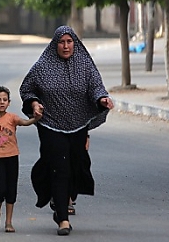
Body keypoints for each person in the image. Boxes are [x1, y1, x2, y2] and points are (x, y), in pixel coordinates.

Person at [19, 25, 114, 236]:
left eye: (69, 41)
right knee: (59, 168)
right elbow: (27, 88)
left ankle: (62, 198)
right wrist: (34, 103)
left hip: (78, 125)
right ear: (55, 44)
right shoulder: (43, 66)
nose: (65, 46)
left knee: (74, 166)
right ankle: (62, 218)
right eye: (61, 42)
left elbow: (96, 87)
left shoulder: (85, 65)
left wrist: (102, 99)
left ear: (75, 43)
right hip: (51, 125)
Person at [0, 86, 42, 233]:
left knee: (11, 189)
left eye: (5, 100)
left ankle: (9, 222)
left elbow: (24, 122)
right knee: (0, 188)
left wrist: (35, 119)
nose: (2, 102)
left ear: (9, 102)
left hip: (12, 156)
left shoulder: (12, 118)